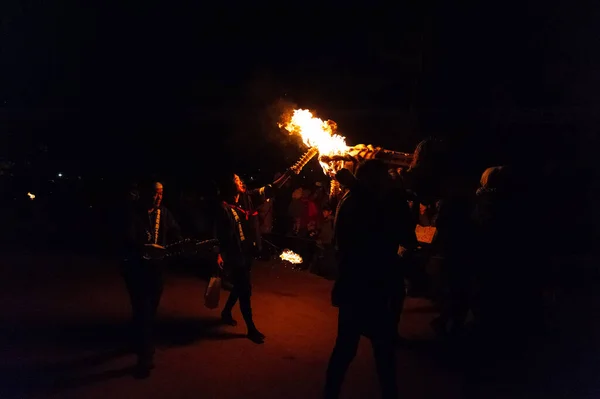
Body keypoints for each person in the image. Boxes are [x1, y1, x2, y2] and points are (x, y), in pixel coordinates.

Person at [324, 160, 414, 399]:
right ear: (374, 180)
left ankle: (330, 394)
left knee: (351, 347)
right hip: (367, 284)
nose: (389, 180)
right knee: (378, 349)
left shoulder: (359, 198)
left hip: (357, 284)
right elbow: (395, 232)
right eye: (384, 176)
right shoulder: (360, 202)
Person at [214, 172, 290, 343]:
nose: (241, 181)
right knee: (245, 289)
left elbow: (271, 189)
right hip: (235, 254)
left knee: (241, 285)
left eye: (240, 178)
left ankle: (226, 312)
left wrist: (288, 174)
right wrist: (218, 253)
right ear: (229, 185)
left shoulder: (248, 198)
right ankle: (251, 328)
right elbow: (218, 233)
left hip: (247, 251)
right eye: (236, 180)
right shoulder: (223, 207)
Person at [122, 181, 182, 378]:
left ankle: (137, 339)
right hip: (136, 270)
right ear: (147, 193)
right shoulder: (135, 213)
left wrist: (182, 244)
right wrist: (144, 248)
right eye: (156, 193)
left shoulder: (164, 213)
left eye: (161, 193)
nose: (158, 197)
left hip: (156, 270)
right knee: (142, 308)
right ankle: (145, 355)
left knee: (150, 309)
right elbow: (127, 239)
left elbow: (175, 233)